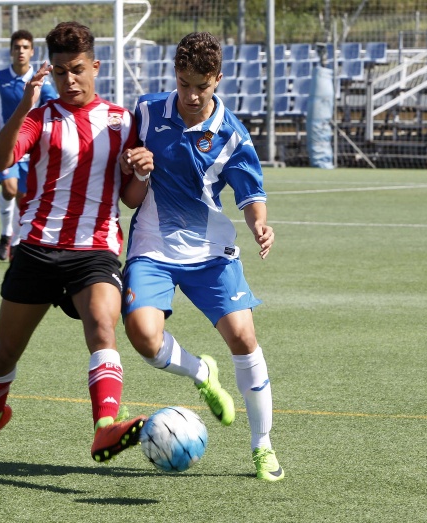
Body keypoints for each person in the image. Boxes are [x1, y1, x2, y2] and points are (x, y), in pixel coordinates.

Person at [0, 21, 150, 466]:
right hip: (37, 247)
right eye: (61, 72)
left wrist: (142, 171)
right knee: (5, 353)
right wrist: (24, 106)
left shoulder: (123, 122)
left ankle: (105, 428)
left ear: (95, 66)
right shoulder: (40, 119)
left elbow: (130, 197)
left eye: (78, 70)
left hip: (96, 248)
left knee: (103, 328)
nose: (70, 80)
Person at [119, 31, 284, 481]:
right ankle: (200, 372)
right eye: (184, 83)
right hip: (152, 247)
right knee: (144, 338)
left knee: (243, 338)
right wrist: (135, 169)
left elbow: (251, 195)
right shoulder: (149, 112)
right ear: (175, 74)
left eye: (202, 86)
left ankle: (262, 446)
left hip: (211, 253)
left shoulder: (231, 133)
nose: (191, 95)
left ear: (219, 80)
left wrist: (259, 225)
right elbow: (130, 198)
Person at [0, 30, 58, 261]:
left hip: (30, 146)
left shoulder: (40, 82)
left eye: (25, 47)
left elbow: (53, 106)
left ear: (32, 51)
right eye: (17, 47)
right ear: (11, 51)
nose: (21, 51)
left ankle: (15, 241)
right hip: (7, 144)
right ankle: (6, 234)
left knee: (23, 196)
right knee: (9, 188)